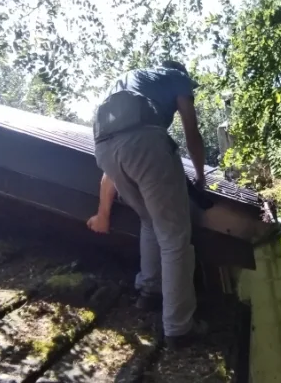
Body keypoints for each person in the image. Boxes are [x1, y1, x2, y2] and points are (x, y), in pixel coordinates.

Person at [86, 60, 206, 350]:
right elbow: (192, 131)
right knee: (175, 237)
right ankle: (178, 329)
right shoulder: (177, 76)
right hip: (145, 146)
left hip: (103, 149)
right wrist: (200, 177)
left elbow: (112, 167)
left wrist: (103, 214)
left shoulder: (129, 79)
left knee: (150, 221)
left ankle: (149, 292)